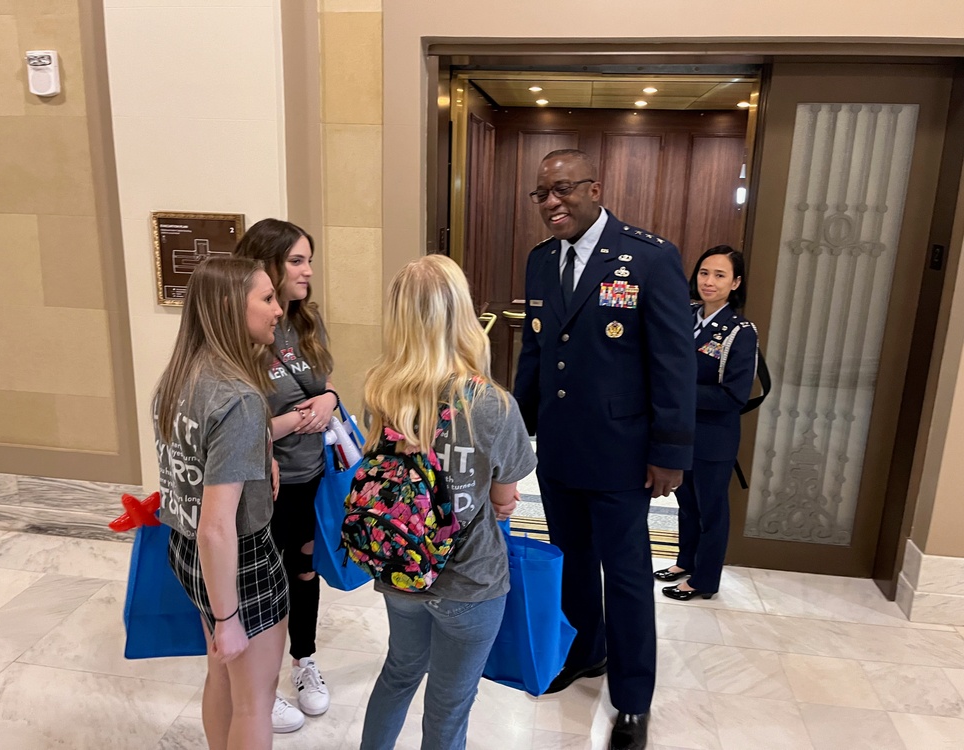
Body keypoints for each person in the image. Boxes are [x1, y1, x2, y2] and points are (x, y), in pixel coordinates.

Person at [513, 149, 696, 750]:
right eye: (542, 194)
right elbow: (536, 355)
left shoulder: (649, 256)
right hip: (562, 449)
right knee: (570, 561)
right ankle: (585, 653)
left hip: (623, 453)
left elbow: (673, 362)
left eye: (563, 189)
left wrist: (671, 450)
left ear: (595, 188)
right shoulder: (542, 263)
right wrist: (518, 433)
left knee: (624, 574)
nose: (552, 203)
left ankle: (634, 700)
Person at [359, 254, 537, 750]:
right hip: (469, 580)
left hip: (398, 568)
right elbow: (504, 495)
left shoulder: (380, 391)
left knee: (399, 671)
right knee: (449, 706)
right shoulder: (491, 403)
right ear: (461, 314)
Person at [153, 256, 287, 750]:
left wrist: (261, 455)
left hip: (187, 551)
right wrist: (229, 618)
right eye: (267, 298)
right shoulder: (238, 398)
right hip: (237, 561)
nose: (278, 310)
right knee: (256, 697)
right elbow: (217, 526)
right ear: (233, 307)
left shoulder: (178, 378)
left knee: (222, 675)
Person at [234, 218, 337, 731]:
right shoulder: (244, 332)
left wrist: (330, 399)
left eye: (308, 260)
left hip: (311, 475)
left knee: (304, 570)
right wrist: (297, 419)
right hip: (261, 481)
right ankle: (261, 684)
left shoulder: (307, 321)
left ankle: (305, 663)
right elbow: (236, 428)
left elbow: (327, 383)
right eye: (297, 261)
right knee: (262, 579)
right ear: (267, 264)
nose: (307, 271)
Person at [654, 245, 758, 601]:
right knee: (686, 502)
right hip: (680, 432)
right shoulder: (683, 315)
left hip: (714, 437)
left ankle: (706, 579)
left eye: (719, 275)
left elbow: (734, 396)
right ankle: (686, 561)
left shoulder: (740, 331)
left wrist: (677, 392)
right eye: (703, 273)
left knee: (711, 508)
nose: (709, 282)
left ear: (736, 283)